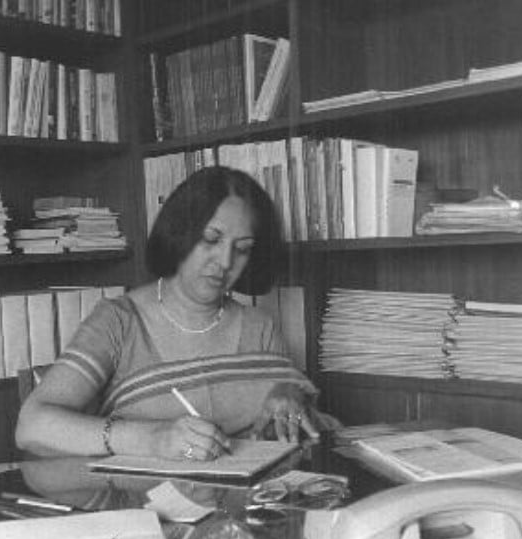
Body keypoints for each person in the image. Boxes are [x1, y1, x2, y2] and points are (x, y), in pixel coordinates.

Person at [16, 166, 324, 463]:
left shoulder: (260, 326)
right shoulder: (118, 321)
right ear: (181, 234)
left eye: (242, 248)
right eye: (211, 239)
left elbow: (291, 423)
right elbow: (31, 427)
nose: (225, 260)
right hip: (143, 506)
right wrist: (154, 439)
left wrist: (289, 396)